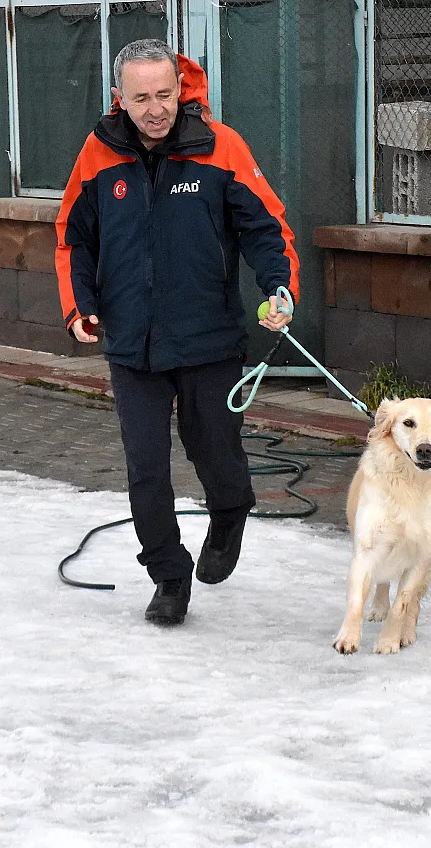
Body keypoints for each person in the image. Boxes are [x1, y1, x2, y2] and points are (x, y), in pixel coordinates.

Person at [55, 38, 299, 626]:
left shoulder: (220, 148)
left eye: (164, 94)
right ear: (121, 99)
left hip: (208, 339)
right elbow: (73, 236)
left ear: (180, 90)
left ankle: (230, 514)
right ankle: (168, 575)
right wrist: (80, 306)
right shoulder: (98, 153)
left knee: (216, 453)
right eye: (141, 98)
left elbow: (268, 230)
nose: (155, 108)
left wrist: (279, 288)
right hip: (131, 345)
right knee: (146, 467)